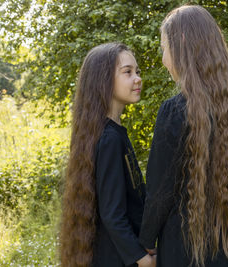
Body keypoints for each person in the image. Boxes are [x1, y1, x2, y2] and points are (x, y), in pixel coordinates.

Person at [139, 5, 228, 267]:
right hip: (224, 242)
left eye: (164, 49)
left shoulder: (175, 110)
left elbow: (160, 191)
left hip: (181, 246)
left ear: (181, 44)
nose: (163, 60)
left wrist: (146, 241)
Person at [60, 43, 156, 267]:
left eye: (138, 71)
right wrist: (142, 259)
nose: (137, 78)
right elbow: (112, 215)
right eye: (127, 72)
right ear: (103, 79)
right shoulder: (109, 138)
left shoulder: (112, 132)